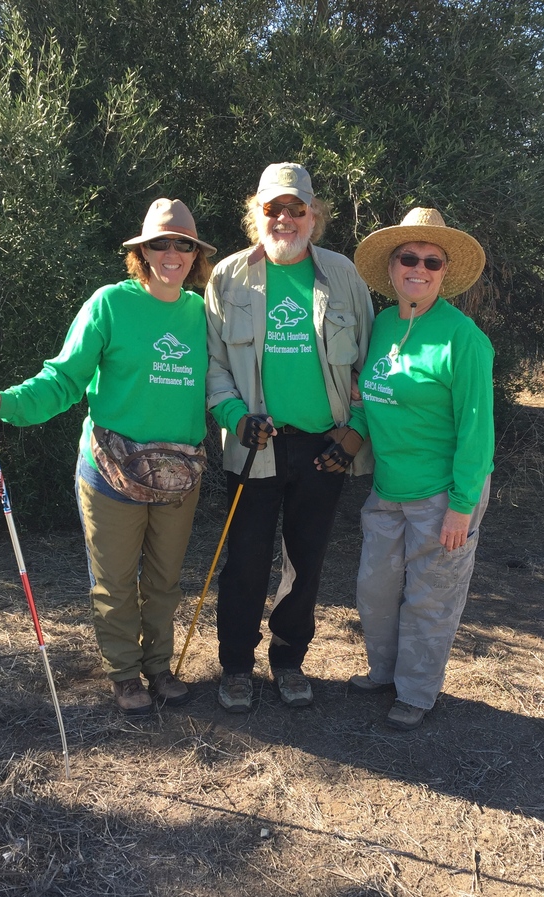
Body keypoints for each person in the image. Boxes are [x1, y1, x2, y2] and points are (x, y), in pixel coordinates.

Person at [0, 199, 216, 716]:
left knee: (165, 579)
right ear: (141, 252)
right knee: (116, 581)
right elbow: (63, 379)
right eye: (159, 243)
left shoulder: (204, 313)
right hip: (110, 472)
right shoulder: (109, 305)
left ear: (195, 254)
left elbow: (229, 381)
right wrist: (3, 401)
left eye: (182, 244)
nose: (172, 252)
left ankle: (159, 666)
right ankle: (125, 675)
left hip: (178, 476)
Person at [205, 162, 374, 712]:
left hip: (323, 447)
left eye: (295, 209)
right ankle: (235, 667)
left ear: (313, 216)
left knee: (306, 561)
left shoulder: (343, 275)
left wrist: (352, 438)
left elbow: (374, 367)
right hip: (255, 441)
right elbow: (213, 364)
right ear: (257, 214)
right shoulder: (227, 277)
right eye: (273, 208)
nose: (284, 219)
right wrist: (234, 414)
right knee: (247, 560)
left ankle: (289, 661)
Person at [349, 207, 494, 731]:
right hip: (388, 487)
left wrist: (460, 507)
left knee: (430, 598)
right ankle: (384, 672)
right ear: (391, 267)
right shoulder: (385, 323)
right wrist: (350, 433)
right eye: (408, 257)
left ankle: (416, 691)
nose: (419, 267)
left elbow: (477, 432)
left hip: (442, 493)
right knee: (376, 588)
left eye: (432, 261)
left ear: (443, 272)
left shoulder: (463, 339)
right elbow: (371, 393)